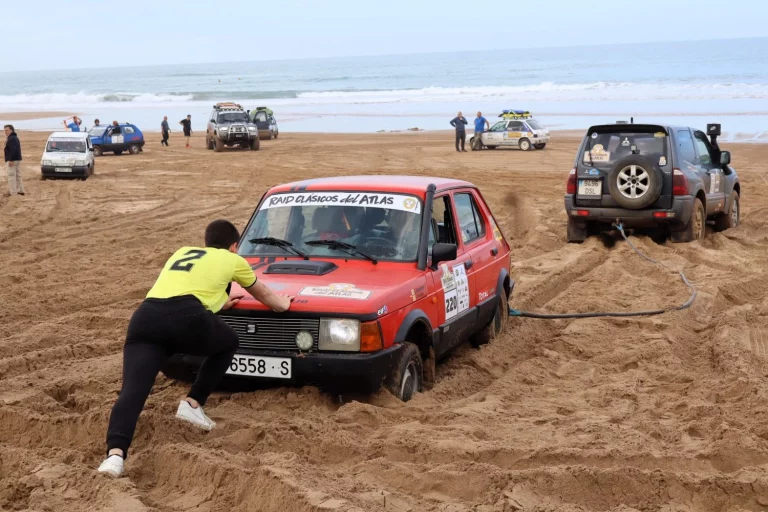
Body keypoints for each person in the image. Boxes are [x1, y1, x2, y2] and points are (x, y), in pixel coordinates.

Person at [97, 220, 293, 478]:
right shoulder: (234, 260)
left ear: (206, 242)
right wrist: (284, 305)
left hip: (145, 318)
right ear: (234, 246)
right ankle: (193, 402)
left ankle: (114, 456)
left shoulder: (182, 252)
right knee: (229, 342)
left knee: (132, 392)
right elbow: (265, 295)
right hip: (187, 318)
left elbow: (183, 288)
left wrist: (219, 302)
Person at [4, 124, 24, 197]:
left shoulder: (11, 138)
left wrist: (10, 159)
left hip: (13, 160)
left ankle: (13, 192)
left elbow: (13, 149)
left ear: (11, 130)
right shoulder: (15, 137)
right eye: (5, 130)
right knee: (18, 175)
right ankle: (20, 190)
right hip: (17, 159)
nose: (5, 132)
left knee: (11, 176)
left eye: (7, 130)